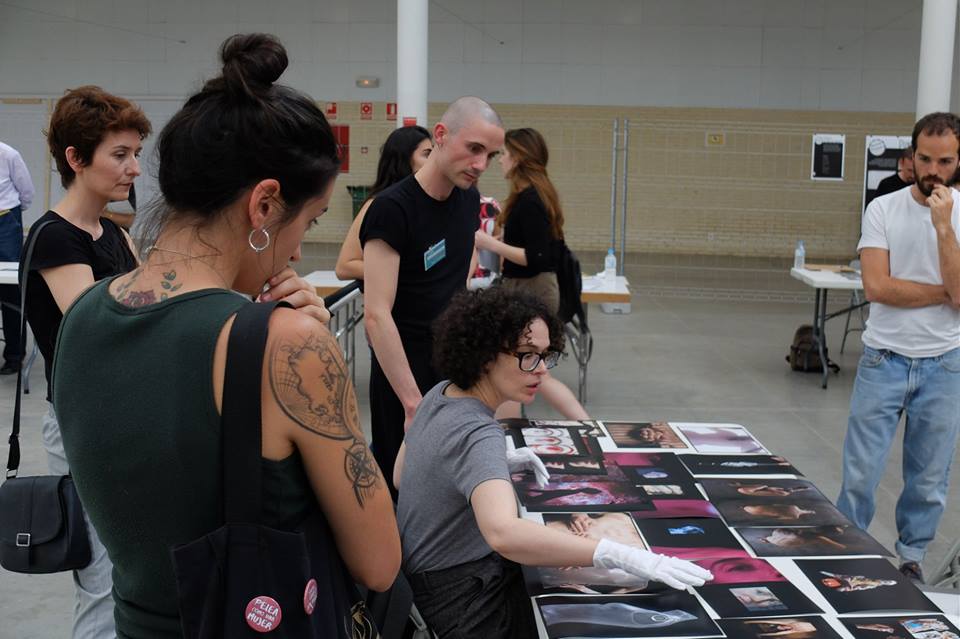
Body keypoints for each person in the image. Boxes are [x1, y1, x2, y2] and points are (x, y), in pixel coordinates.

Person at [50, 34, 400, 638]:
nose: (298, 246)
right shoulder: (283, 344)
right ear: (264, 205)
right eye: (309, 221)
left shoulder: (81, 316)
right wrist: (318, 355)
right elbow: (380, 561)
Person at [394, 287, 712, 638]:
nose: (541, 370)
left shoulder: (438, 393)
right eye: (528, 355)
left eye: (545, 355)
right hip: (462, 599)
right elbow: (503, 533)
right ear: (484, 354)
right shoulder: (480, 433)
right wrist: (617, 554)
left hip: (421, 583)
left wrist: (486, 471)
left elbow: (400, 475)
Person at [18, 84, 151, 638]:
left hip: (127, 418)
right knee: (102, 584)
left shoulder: (112, 235)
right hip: (85, 425)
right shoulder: (53, 238)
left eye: (137, 154)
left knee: (133, 578)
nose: (135, 170)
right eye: (120, 155)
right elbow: (102, 327)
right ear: (75, 159)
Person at [837, 112, 960, 585]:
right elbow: (877, 287)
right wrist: (945, 291)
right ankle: (849, 552)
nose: (934, 171)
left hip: (944, 364)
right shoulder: (882, 209)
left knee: (929, 477)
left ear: (957, 160)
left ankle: (911, 556)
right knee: (861, 471)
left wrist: (945, 228)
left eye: (945, 161)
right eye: (925, 160)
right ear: (911, 157)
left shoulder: (957, 212)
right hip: (883, 358)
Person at [361, 96, 504, 496]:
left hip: (451, 365)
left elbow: (455, 289)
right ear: (441, 136)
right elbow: (377, 315)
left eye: (491, 155)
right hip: (402, 370)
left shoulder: (468, 201)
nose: (481, 164)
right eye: (474, 149)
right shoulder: (392, 209)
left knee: (448, 482)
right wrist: (412, 403)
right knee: (402, 486)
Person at [473, 127, 588, 421]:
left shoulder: (531, 200)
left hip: (531, 289)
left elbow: (537, 257)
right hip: (524, 287)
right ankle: (510, 428)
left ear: (520, 158)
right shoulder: (528, 196)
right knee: (514, 370)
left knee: (527, 371)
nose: (499, 160)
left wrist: (489, 243)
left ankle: (582, 424)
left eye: (505, 154)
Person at [334, 125, 432, 280]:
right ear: (405, 159)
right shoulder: (378, 205)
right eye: (427, 154)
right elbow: (344, 267)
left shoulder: (426, 202)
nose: (434, 162)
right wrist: (402, 271)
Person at [0, 140, 34, 374]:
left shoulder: (8, 153)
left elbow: (26, 192)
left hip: (5, 220)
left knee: (10, 288)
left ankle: (14, 355)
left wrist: (11, 218)